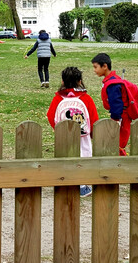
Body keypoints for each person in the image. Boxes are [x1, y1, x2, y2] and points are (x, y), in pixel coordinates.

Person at [47, 67, 99, 197]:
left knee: (64, 157)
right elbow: (94, 118)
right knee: (83, 156)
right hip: (83, 136)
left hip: (64, 135)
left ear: (62, 81)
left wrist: (58, 130)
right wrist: (91, 132)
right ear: (80, 81)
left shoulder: (58, 98)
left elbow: (50, 115)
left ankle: (65, 182)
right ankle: (82, 185)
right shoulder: (85, 98)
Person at [91, 52, 130, 156]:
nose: (94, 70)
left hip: (122, 117)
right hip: (122, 116)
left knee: (117, 144)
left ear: (104, 66)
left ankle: (122, 164)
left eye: (95, 67)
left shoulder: (113, 84)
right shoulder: (113, 80)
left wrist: (116, 120)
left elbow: (116, 103)